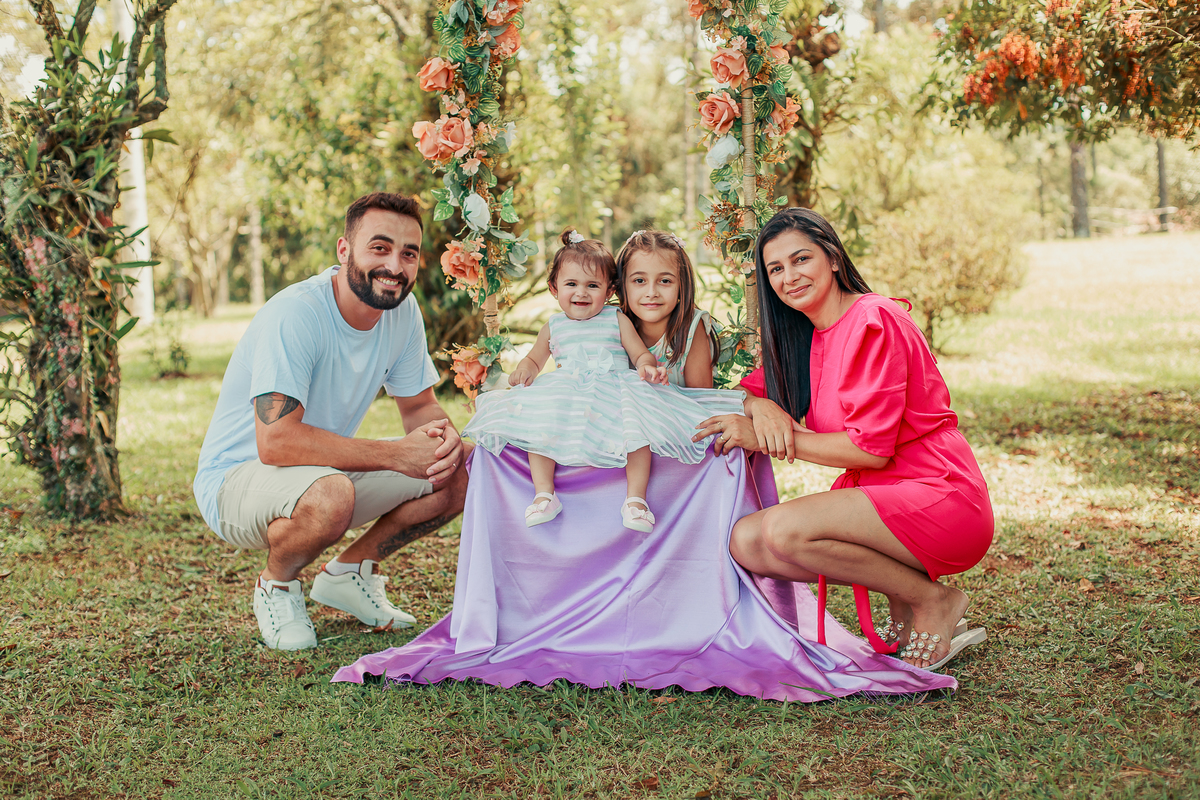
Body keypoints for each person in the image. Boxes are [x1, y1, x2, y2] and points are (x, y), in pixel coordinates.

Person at [695, 207, 993, 670]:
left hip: (939, 493)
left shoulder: (874, 319)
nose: (789, 276)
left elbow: (869, 451)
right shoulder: (802, 336)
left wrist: (766, 439)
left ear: (832, 258)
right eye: (776, 269)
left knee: (782, 529)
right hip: (880, 500)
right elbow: (745, 394)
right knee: (748, 542)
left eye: (801, 259)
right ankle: (907, 594)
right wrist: (760, 406)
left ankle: (933, 600)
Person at [193, 192, 469, 651]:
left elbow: (419, 406)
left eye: (408, 253)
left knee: (460, 467)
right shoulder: (297, 314)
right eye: (379, 248)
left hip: (321, 474)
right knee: (330, 494)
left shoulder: (402, 313)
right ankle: (277, 586)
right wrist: (396, 455)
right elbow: (276, 442)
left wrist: (447, 442)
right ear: (344, 250)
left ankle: (349, 573)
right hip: (235, 481)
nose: (395, 266)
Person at [463, 229, 743, 532]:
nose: (582, 293)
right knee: (541, 425)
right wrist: (525, 369)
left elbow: (643, 357)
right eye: (572, 284)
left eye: (592, 285)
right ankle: (544, 493)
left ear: (609, 290)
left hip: (617, 392)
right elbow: (534, 358)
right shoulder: (554, 325)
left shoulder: (617, 319)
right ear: (554, 288)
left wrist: (647, 366)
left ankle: (635, 499)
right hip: (571, 392)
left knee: (636, 429)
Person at [615, 230, 721, 388]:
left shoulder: (690, 327)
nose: (652, 293)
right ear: (622, 284)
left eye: (665, 281)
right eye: (639, 280)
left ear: (682, 285)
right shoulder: (612, 321)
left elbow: (702, 396)